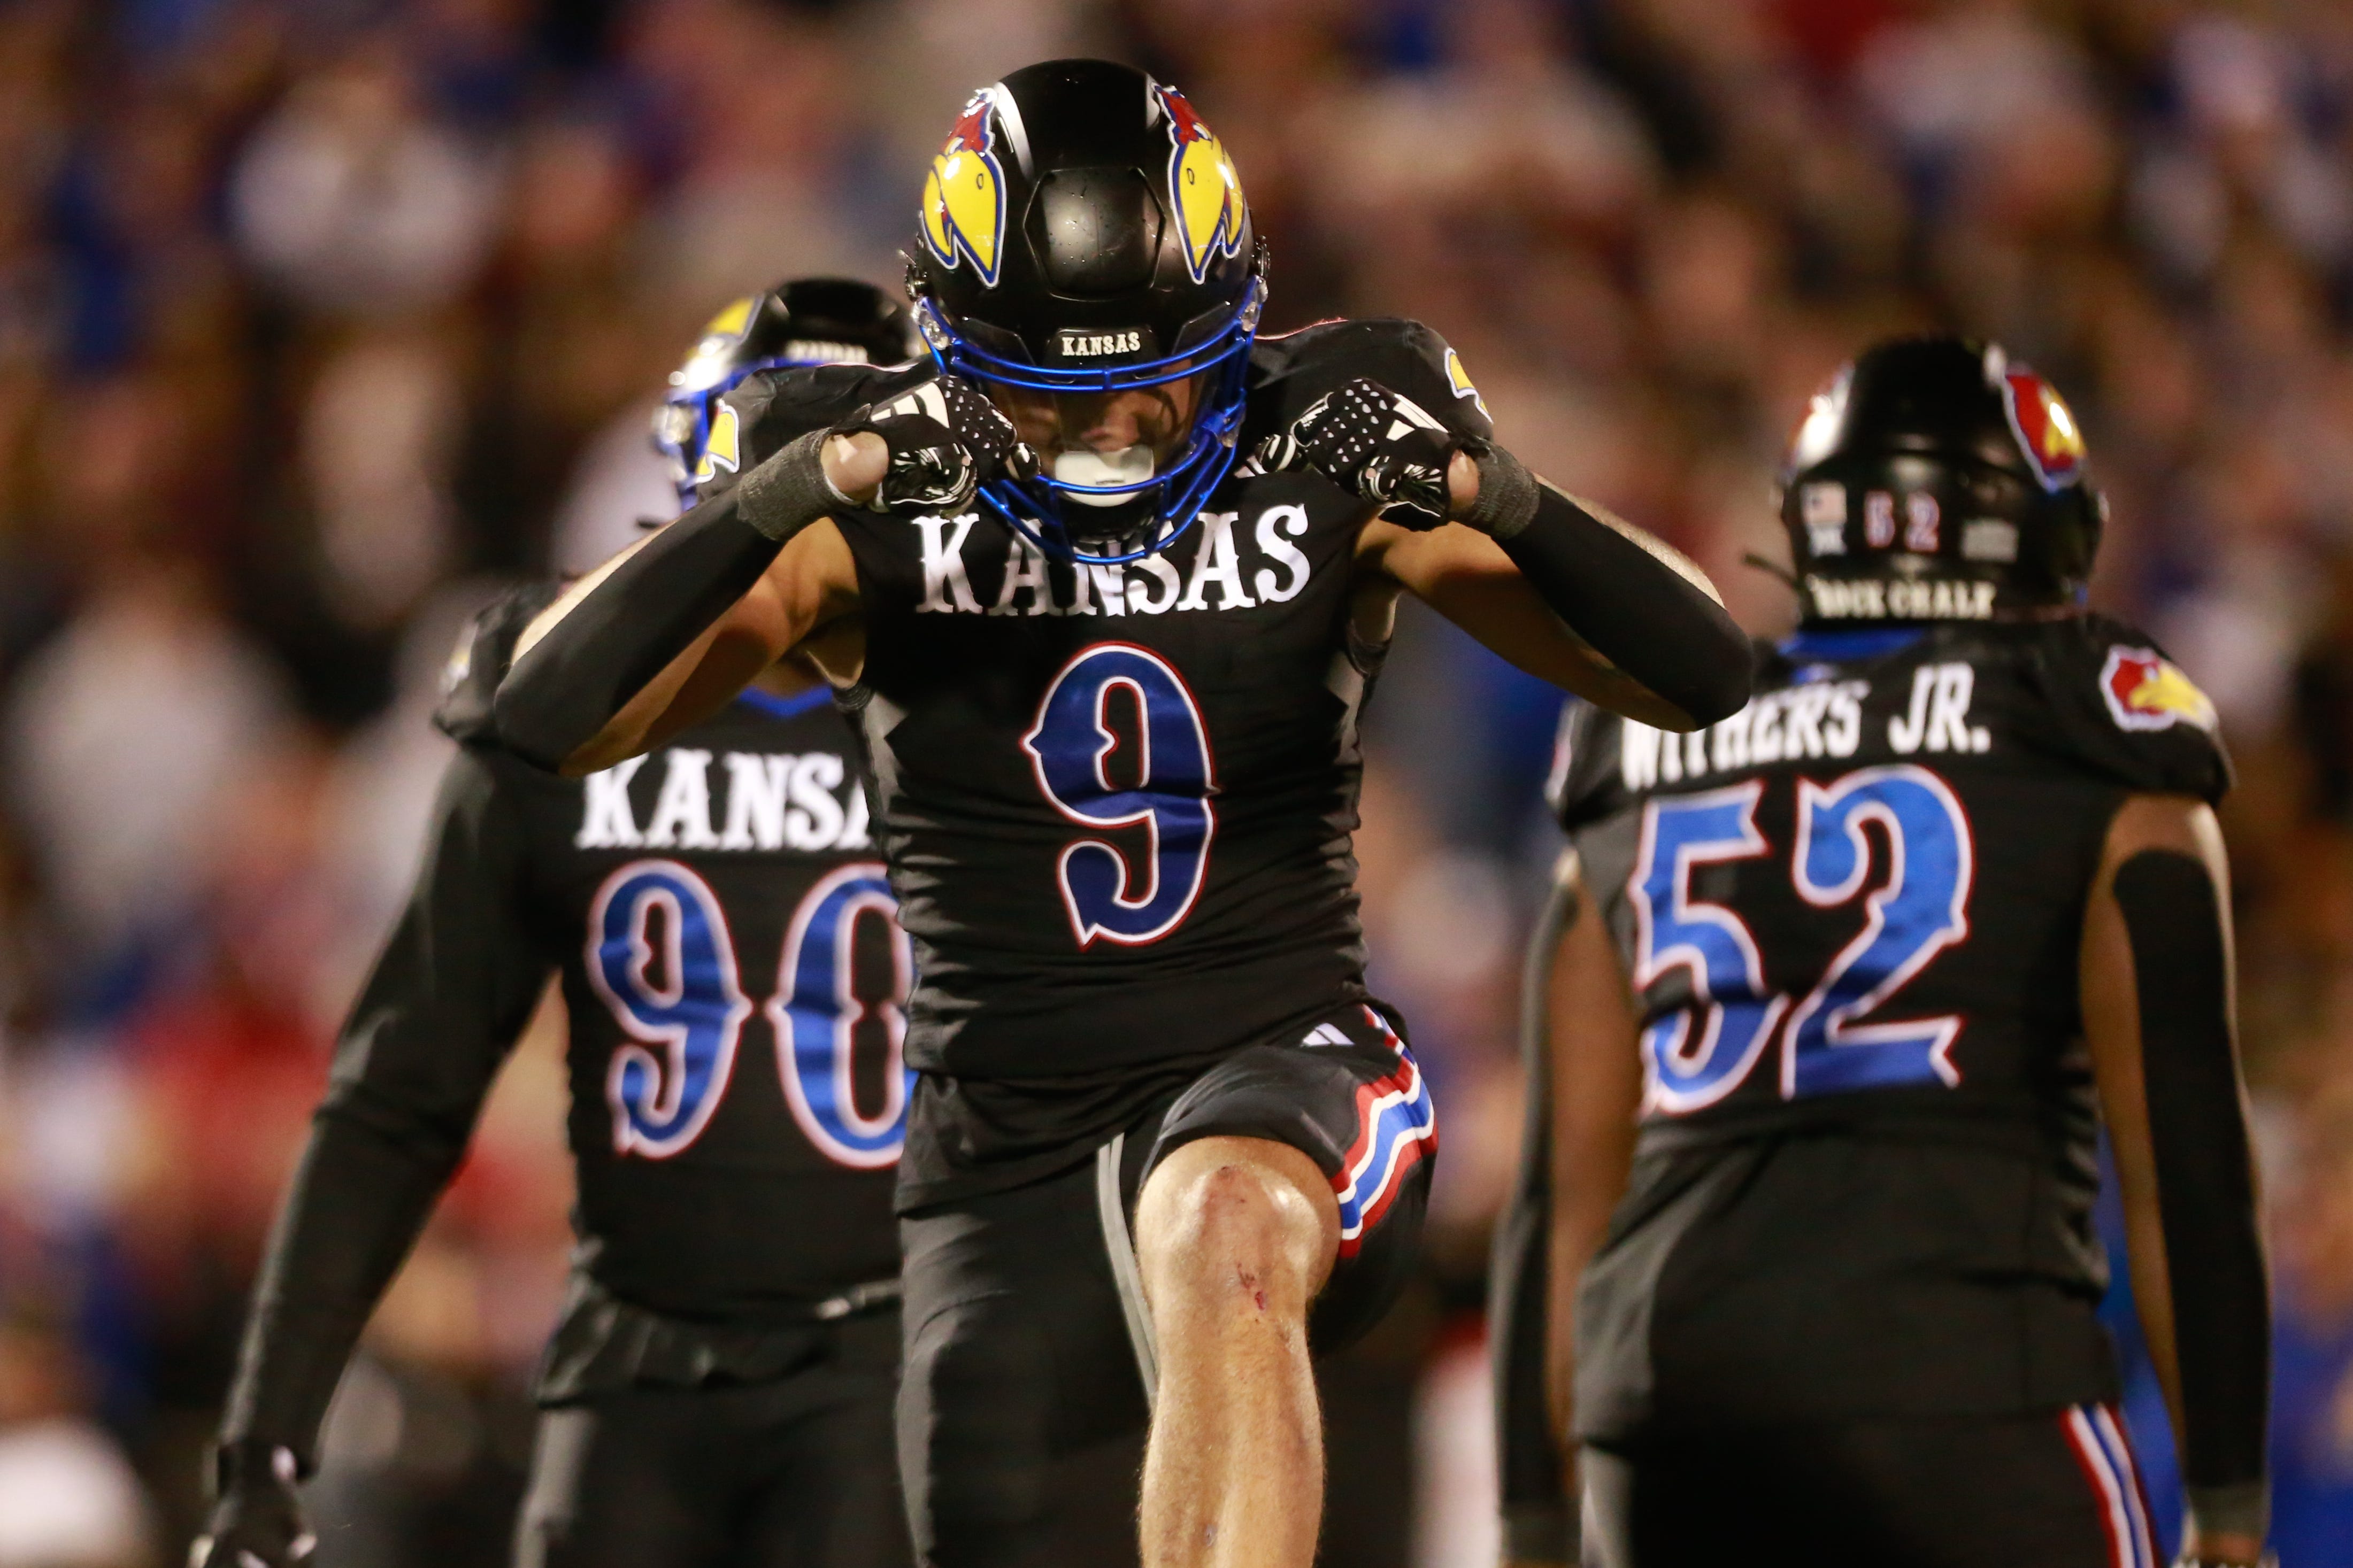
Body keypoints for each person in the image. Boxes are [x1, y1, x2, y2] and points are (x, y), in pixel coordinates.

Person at [491, 59, 1753, 1568]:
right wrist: (787, 491)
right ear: (956, 354)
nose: (1125, 431)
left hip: (1287, 1070)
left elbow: (1701, 671)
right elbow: (547, 717)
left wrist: (1502, 495)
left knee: (1220, 1220)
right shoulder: (863, 476)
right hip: (1000, 1149)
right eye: (1059, 393)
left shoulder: (1329, 430)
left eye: (1163, 374)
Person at [1492, 336, 2273, 1568]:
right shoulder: (2094, 720)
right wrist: (2229, 1506)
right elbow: (2182, 1158)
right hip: (1965, 1383)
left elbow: (1557, 1197)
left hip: (1670, 1408)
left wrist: (1533, 1528)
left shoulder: (1637, 739)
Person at [193, 280, 923, 1568]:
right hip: (638, 1350)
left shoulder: (1003, 719)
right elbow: (402, 1092)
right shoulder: (562, 715)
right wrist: (266, 1432)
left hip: (899, 1357)